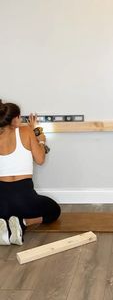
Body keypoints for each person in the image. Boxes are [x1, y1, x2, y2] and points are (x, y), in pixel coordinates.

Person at [0, 99, 61, 245]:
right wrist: (40, 139)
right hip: (25, 201)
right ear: (15, 119)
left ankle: (4, 222)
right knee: (53, 210)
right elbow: (40, 160)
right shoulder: (27, 131)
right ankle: (23, 223)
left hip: (1, 201)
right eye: (19, 118)